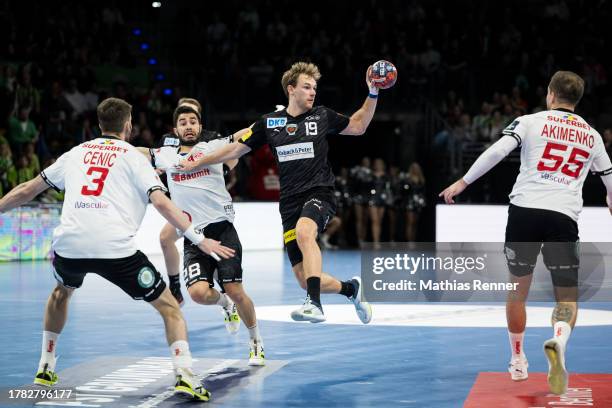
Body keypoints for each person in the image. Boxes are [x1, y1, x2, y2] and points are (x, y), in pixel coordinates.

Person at [0, 97, 237, 401]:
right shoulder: (134, 157)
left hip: (69, 247)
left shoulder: (76, 152)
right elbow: (163, 203)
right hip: (116, 250)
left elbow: (28, 189)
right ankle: (185, 375)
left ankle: (45, 366)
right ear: (128, 126)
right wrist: (197, 237)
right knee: (171, 309)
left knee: (61, 291)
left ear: (100, 125)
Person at [440, 71, 612, 395]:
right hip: (563, 217)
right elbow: (609, 180)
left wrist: (463, 182)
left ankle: (518, 359)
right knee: (567, 297)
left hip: (524, 213)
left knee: (518, 290)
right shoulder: (592, 135)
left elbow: (497, 152)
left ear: (550, 94)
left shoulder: (531, 121)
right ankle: (558, 339)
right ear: (577, 100)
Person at [178, 61, 382, 323]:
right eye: (307, 87)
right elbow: (234, 149)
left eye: (314, 88)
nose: (312, 92)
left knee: (305, 231)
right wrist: (199, 161)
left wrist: (373, 93)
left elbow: (359, 125)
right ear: (291, 89)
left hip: (319, 192)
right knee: (302, 277)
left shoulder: (321, 116)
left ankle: (314, 304)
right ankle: (352, 289)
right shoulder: (270, 123)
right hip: (289, 202)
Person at [145, 105, 264, 365]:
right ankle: (225, 305)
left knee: (235, 289)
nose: (188, 126)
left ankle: (255, 341)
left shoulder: (213, 147)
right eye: (183, 123)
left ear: (200, 127)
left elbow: (241, 135)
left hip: (221, 229)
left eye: (193, 122)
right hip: (193, 235)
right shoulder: (165, 154)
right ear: (175, 130)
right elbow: (141, 152)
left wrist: (269, 121)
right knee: (199, 294)